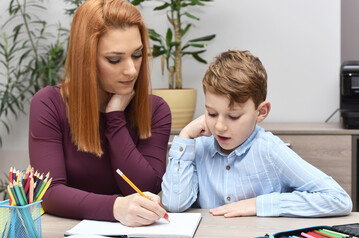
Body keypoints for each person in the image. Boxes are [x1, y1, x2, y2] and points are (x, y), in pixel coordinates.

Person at [29, 0, 171, 226]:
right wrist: (115, 207)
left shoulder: (156, 109)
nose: (131, 70)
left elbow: (146, 188)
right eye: (114, 59)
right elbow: (48, 193)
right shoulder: (49, 104)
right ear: (85, 59)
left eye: (137, 55)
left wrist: (115, 118)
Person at [161, 50, 352, 217]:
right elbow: (175, 204)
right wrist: (185, 136)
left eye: (233, 116)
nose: (219, 126)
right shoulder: (199, 146)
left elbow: (338, 199)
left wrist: (257, 204)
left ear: (261, 112)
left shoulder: (270, 150)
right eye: (211, 113)